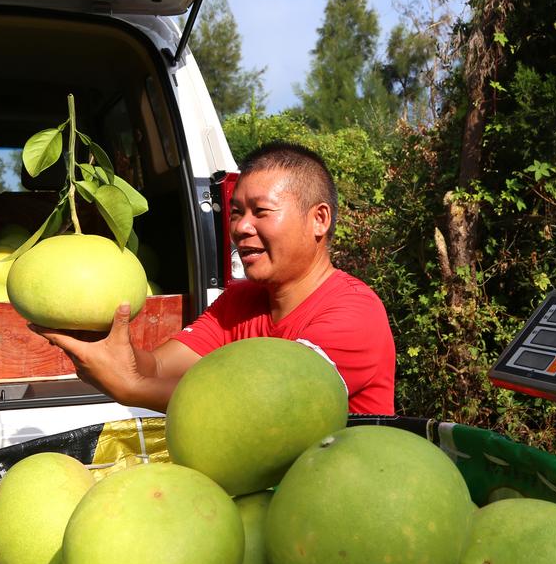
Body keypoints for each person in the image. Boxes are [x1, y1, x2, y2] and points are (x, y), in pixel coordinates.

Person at [31, 141, 396, 415]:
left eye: (261, 212)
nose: (241, 227)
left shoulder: (354, 314)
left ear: (319, 219)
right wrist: (105, 350)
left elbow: (261, 406)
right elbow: (158, 367)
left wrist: (132, 390)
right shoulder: (240, 303)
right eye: (236, 212)